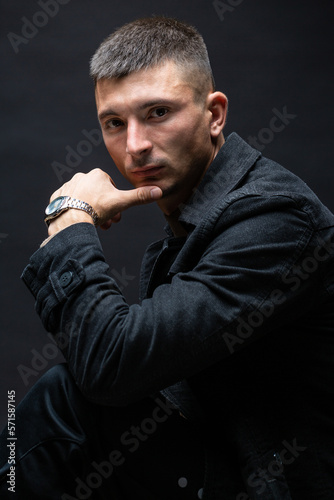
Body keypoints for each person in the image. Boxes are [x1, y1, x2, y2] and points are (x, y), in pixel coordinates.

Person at [1, 15, 334, 500]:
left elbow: (110, 366)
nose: (134, 145)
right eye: (115, 123)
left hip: (274, 486)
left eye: (158, 113)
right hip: (217, 465)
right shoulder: (188, 233)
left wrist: (70, 219)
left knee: (64, 401)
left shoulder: (279, 219)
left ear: (214, 114)